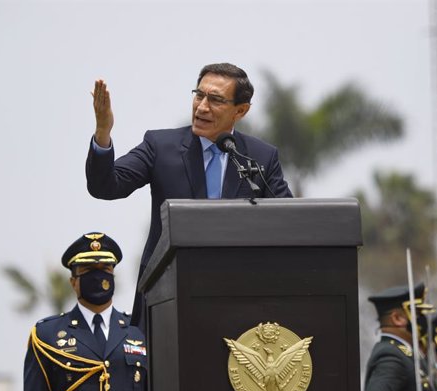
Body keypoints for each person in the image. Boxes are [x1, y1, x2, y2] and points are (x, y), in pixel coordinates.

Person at [86, 63, 293, 329]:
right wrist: (103, 132)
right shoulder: (161, 146)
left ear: (240, 110)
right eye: (199, 95)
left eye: (215, 99)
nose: (202, 107)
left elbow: (288, 222)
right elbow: (106, 186)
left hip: (240, 308)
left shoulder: (261, 156)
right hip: (167, 303)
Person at [22, 232, 148, 391]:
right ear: (73, 281)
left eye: (105, 269)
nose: (99, 276)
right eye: (89, 271)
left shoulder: (139, 332)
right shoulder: (46, 337)